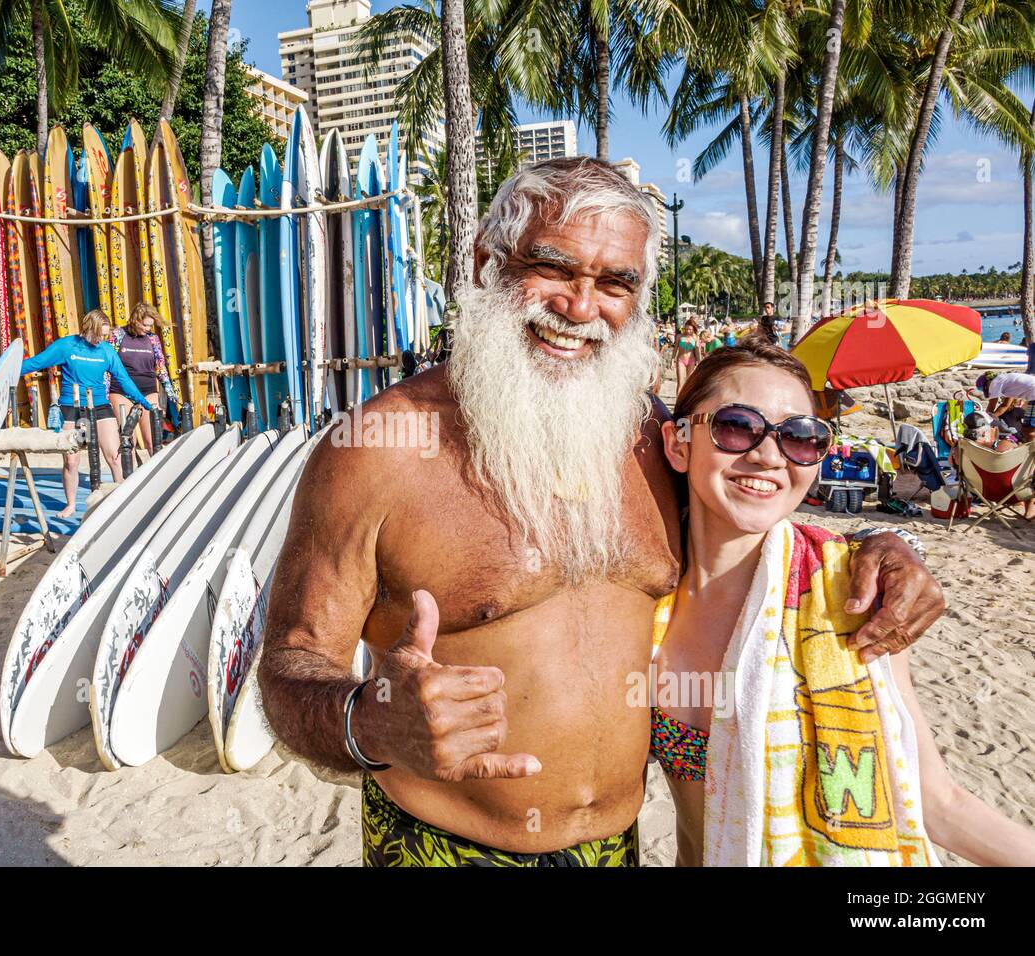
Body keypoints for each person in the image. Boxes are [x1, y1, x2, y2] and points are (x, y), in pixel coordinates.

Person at [257, 157, 944, 867]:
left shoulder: (652, 438)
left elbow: (756, 515)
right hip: (443, 846)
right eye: (553, 268)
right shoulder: (377, 451)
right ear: (486, 262)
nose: (581, 309)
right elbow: (289, 667)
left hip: (619, 848)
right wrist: (368, 721)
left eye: (616, 283)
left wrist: (881, 540)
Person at [651, 342, 1035, 865]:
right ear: (678, 444)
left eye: (799, 437)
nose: (768, 455)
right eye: (736, 426)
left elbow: (938, 804)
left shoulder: (850, 598)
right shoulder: (646, 601)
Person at [21, 308, 155, 518]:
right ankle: (71, 504)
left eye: (104, 335)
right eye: (99, 334)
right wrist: (3, 372)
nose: (101, 339)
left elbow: (124, 380)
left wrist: (144, 402)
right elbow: (36, 363)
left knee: (114, 456)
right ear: (88, 329)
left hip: (100, 406)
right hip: (71, 407)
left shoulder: (107, 351)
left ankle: (121, 502)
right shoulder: (67, 345)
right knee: (71, 461)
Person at [110, 302, 177, 451]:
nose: (148, 329)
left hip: (147, 390)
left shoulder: (152, 339)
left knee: (153, 440)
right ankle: (130, 471)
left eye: (150, 326)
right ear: (135, 320)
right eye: (145, 325)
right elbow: (108, 364)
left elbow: (160, 366)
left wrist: (169, 389)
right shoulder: (118, 335)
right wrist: (104, 391)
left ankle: (157, 471)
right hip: (121, 392)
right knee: (128, 440)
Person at [976, 369, 1035, 443]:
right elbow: (1005, 405)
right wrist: (992, 418)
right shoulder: (1006, 381)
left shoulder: (994, 382)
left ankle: (1031, 453)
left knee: (1028, 431)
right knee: (1027, 430)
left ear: (986, 385)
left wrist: (986, 421)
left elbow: (991, 406)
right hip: (1032, 395)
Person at [675, 319, 702, 391]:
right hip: (681, 360)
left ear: (693, 329)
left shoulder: (696, 337)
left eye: (690, 329)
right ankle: (678, 401)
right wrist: (672, 359)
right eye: (686, 329)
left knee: (689, 383)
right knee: (680, 382)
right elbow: (675, 348)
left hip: (691, 361)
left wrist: (699, 362)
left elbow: (697, 351)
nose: (687, 331)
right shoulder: (679, 336)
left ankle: (687, 400)